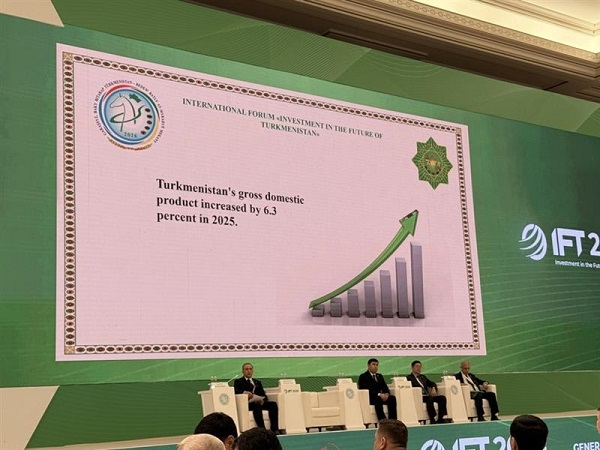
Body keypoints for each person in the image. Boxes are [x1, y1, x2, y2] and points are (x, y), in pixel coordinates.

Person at [233, 362, 280, 434]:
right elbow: (236, 391)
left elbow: (263, 395)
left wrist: (262, 400)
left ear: (252, 371)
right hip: (248, 404)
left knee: (273, 404)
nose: (249, 371)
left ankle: (274, 429)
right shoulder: (238, 381)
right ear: (243, 371)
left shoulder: (257, 382)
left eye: (250, 369)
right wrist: (244, 393)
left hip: (258, 402)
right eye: (246, 369)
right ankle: (262, 430)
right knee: (256, 406)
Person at [406, 360, 449, 424]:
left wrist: (433, 388)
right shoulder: (408, 378)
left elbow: (432, 383)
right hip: (419, 397)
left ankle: (441, 418)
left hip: (427, 396)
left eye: (420, 367)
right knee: (429, 398)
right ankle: (432, 418)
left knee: (442, 398)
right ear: (412, 368)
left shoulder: (423, 377)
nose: (418, 368)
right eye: (417, 366)